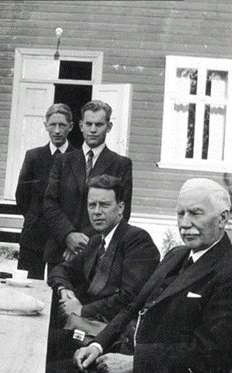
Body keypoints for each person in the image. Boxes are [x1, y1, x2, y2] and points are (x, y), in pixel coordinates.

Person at [44, 178, 232, 373]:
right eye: (180, 214)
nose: (185, 223)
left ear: (222, 218)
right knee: (40, 372)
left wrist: (135, 364)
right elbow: (133, 307)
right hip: (126, 362)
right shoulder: (177, 255)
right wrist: (98, 346)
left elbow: (209, 352)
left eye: (196, 213)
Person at [46, 175, 159, 359]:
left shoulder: (137, 241)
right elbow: (60, 269)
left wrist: (81, 310)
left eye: (104, 205)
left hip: (112, 339)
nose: (96, 212)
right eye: (92, 205)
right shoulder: (96, 241)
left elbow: (130, 298)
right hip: (84, 327)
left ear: (121, 207)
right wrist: (64, 290)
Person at [43, 100, 133, 269]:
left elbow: (122, 211)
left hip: (98, 254)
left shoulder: (120, 164)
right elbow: (50, 203)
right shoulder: (63, 160)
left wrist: (83, 244)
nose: (93, 130)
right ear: (80, 125)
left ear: (109, 126)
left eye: (99, 124)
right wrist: (68, 235)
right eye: (88, 124)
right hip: (61, 250)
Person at [15, 103, 78, 280]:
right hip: (34, 235)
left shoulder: (78, 158)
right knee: (27, 287)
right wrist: (33, 218)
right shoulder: (33, 156)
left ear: (71, 127)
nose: (57, 130)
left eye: (62, 125)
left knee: (59, 287)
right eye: (52, 125)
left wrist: (66, 231)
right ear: (45, 126)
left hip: (62, 239)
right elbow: (21, 195)